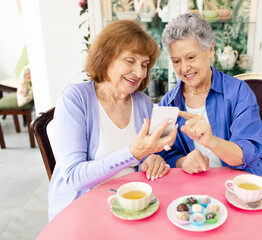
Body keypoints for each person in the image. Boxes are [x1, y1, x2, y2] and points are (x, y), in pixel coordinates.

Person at [48, 20, 177, 221]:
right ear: (106, 57)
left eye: (144, 64)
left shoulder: (143, 102)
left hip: (132, 205)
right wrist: (134, 154)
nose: (140, 72)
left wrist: (151, 159)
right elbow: (74, 177)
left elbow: (144, 155)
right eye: (130, 60)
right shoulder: (75, 98)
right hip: (84, 211)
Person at [159, 13, 262, 178]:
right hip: (195, 188)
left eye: (191, 57)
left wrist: (211, 141)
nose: (184, 68)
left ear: (210, 50)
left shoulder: (239, 92)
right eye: (176, 61)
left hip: (242, 184)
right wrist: (184, 161)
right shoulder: (168, 103)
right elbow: (163, 153)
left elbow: (247, 153)